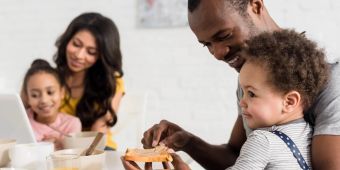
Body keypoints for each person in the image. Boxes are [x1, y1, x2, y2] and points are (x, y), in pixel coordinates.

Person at [122, 0, 340, 169]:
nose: (217, 53)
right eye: (207, 44)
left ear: (255, 5)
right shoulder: (249, 79)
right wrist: (188, 141)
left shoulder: (333, 82)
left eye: (224, 35)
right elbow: (239, 157)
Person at [229, 29, 328, 169]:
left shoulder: (262, 141)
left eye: (251, 94)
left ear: (289, 102)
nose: (242, 102)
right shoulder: (311, 136)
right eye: (242, 92)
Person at [54, 12, 125, 150]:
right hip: (56, 149)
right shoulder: (50, 78)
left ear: (102, 56)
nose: (79, 55)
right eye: (76, 44)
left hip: (96, 148)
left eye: (91, 52)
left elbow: (98, 132)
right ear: (67, 40)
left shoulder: (111, 81)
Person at [22, 59, 81, 150]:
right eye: (35, 95)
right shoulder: (22, 120)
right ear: (27, 98)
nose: (44, 100)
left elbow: (75, 155)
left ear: (62, 93)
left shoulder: (71, 124)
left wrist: (62, 146)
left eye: (50, 92)